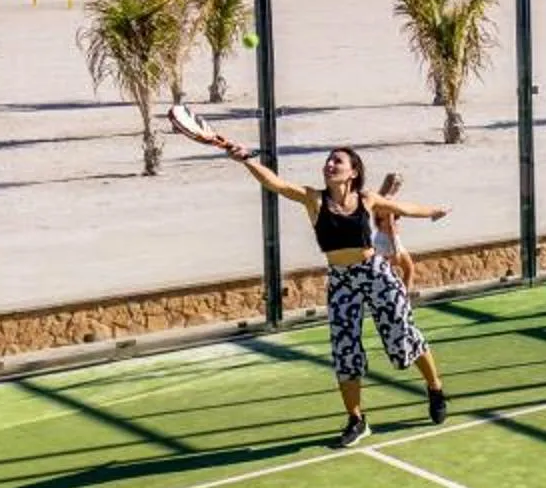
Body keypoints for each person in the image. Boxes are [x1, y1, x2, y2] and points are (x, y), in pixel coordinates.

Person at [167, 105, 448, 447]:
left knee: (402, 336)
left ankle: (435, 389)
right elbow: (275, 183)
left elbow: (404, 209)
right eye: (329, 160)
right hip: (341, 280)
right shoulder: (313, 199)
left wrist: (433, 211)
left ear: (353, 172)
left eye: (338, 161)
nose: (330, 164)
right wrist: (245, 159)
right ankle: (356, 420)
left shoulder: (366, 199)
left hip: (375, 274)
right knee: (345, 350)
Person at [371, 170, 422, 287]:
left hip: (379, 237)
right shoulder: (388, 201)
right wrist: (395, 249)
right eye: (398, 185)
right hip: (390, 239)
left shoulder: (377, 198)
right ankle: (404, 300)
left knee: (384, 273)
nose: (399, 188)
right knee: (408, 269)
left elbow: (376, 222)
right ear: (393, 185)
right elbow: (390, 225)